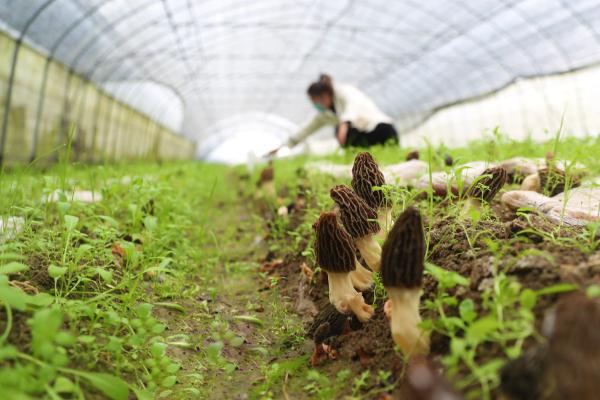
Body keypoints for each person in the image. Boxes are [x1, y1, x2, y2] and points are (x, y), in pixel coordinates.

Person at [268, 74, 398, 155]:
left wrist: (344, 123)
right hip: (364, 141)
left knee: (340, 130)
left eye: (315, 100)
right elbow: (305, 130)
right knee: (339, 131)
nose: (315, 105)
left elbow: (354, 104)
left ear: (324, 95)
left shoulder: (344, 91)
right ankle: (361, 162)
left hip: (381, 131)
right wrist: (282, 147)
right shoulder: (324, 115)